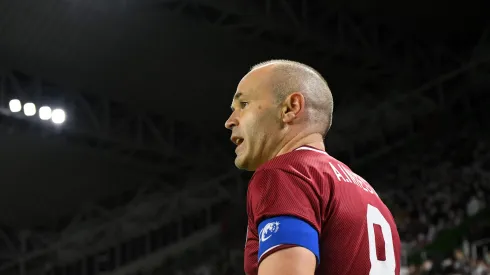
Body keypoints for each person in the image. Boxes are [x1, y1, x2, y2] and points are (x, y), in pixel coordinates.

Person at [224, 60, 401, 275]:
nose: (230, 121)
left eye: (243, 105)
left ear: (290, 108)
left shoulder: (286, 173)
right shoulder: (368, 193)